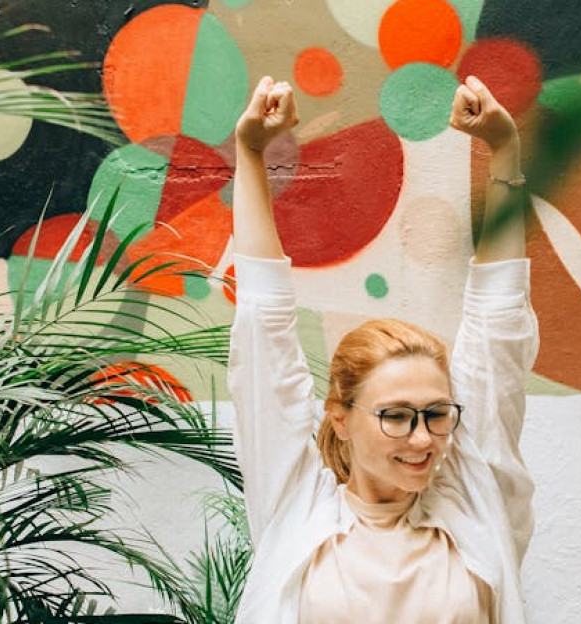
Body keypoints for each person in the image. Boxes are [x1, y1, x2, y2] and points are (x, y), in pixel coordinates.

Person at [228, 74, 540, 624]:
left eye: (437, 414)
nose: (423, 439)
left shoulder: (472, 497)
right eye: (395, 416)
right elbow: (263, 323)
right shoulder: (297, 501)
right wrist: (252, 154)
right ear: (341, 419)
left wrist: (503, 154)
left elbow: (500, 322)